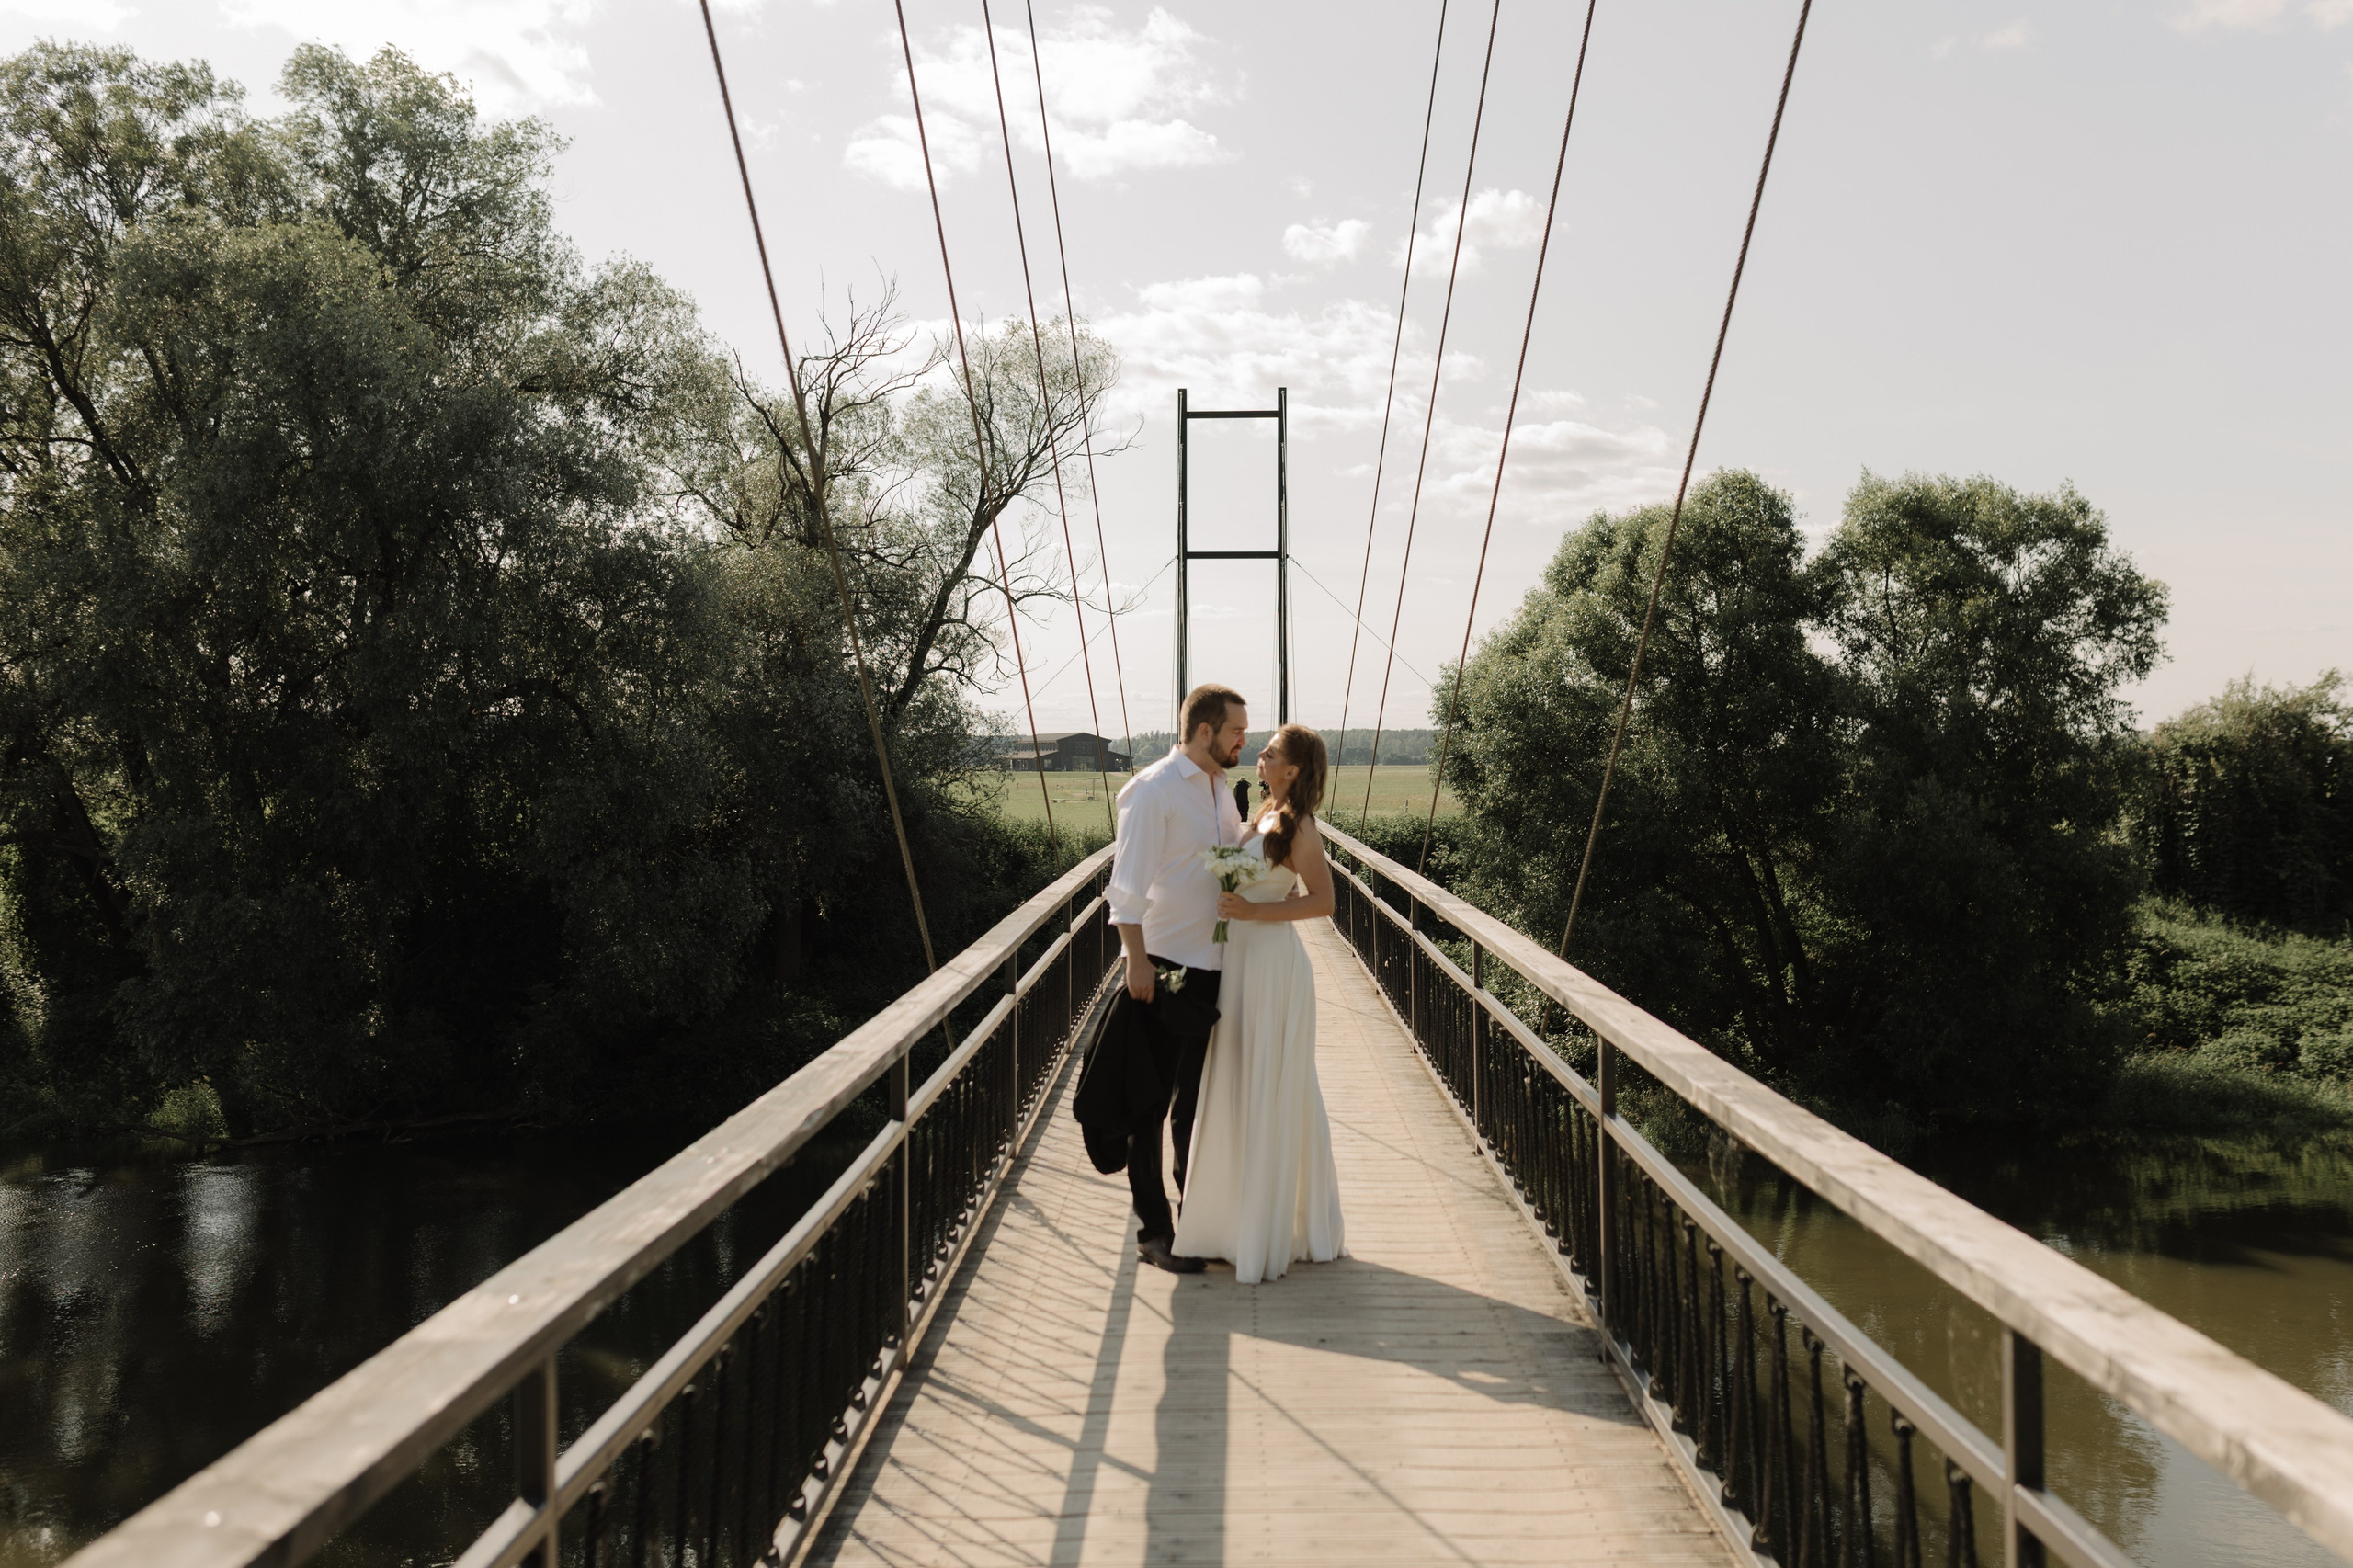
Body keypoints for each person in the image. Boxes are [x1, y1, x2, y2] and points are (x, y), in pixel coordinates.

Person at [1084, 684, 1249, 1275]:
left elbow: (1228, 859)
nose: (1243, 741)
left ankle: (1195, 1221)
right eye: (1236, 731)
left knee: (1193, 1105)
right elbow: (1125, 887)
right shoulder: (1154, 791)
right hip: (1164, 966)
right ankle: (1154, 1231)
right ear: (1205, 732)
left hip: (1213, 967)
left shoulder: (1219, 789)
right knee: (1149, 1103)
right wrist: (1136, 960)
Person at [1173, 723, 1347, 1283]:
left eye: (1270, 752)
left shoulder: (1300, 826)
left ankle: (1270, 1229)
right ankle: (1230, 1221)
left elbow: (1324, 902)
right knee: (1235, 1084)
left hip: (1272, 967)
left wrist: (1252, 914)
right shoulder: (1263, 816)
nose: (1261, 755)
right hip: (1237, 964)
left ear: (1292, 770)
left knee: (1269, 1084)